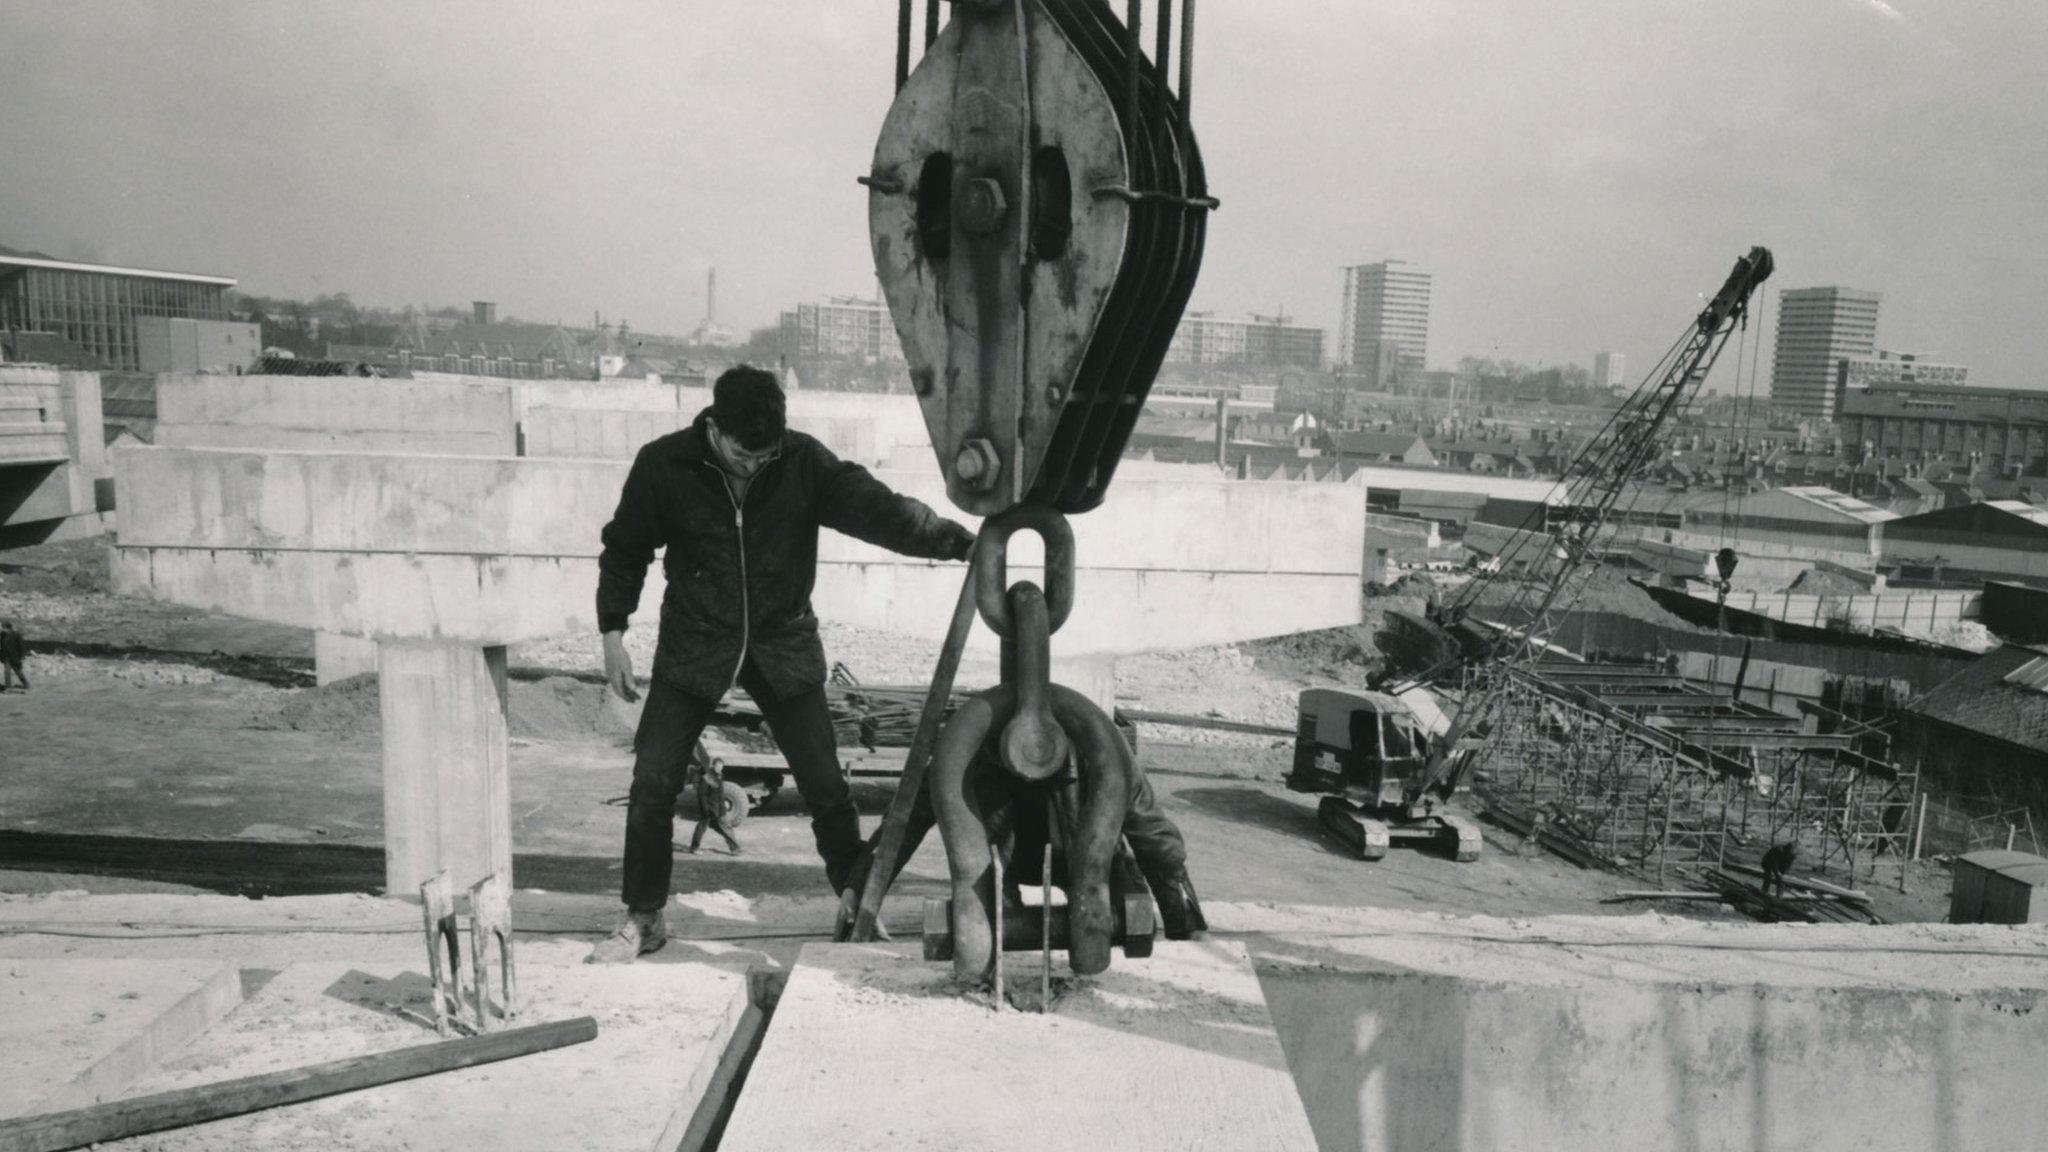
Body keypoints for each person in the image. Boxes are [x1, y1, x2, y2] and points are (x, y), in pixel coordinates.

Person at [587, 365, 975, 963]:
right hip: (695, 646)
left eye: (766, 455)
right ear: (715, 428)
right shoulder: (664, 465)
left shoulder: (801, 462)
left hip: (783, 645)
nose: (754, 465)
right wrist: (613, 632)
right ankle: (644, 918)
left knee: (825, 785)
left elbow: (881, 511)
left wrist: (959, 542)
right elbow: (625, 548)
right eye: (745, 454)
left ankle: (855, 901)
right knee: (652, 783)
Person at [685, 744, 742, 857]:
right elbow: (701, 794)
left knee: (725, 827)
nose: (719, 768)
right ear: (714, 765)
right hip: (709, 809)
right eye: (717, 765)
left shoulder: (720, 776)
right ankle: (694, 848)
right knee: (702, 828)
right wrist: (706, 809)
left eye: (721, 766)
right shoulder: (708, 777)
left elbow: (720, 794)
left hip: (719, 809)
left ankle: (735, 848)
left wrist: (723, 806)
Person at [0, 621, 27, 692]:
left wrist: (22, 656)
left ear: (8, 628)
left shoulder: (16, 635)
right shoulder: (2, 635)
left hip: (15, 657)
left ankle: (26, 684)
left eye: (3, 628)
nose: (2, 629)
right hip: (6, 657)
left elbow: (22, 646)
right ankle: (8, 687)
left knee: (18, 672)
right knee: (7, 672)